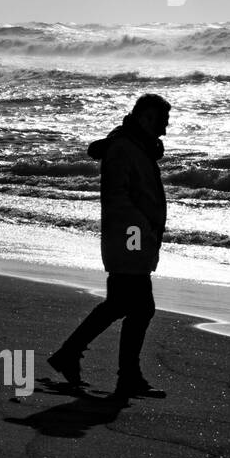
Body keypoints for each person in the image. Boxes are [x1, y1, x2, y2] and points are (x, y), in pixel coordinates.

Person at [48, 94, 171, 398]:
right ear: (144, 118)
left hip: (131, 238)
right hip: (128, 239)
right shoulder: (123, 149)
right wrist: (140, 235)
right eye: (161, 122)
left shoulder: (134, 147)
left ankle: (70, 355)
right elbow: (118, 200)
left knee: (121, 305)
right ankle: (126, 376)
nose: (165, 130)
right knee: (141, 308)